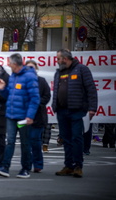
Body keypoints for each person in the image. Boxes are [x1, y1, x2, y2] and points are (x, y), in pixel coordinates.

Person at [0, 53, 39, 179]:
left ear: (15, 64)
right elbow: (10, 94)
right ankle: (5, 167)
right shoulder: (13, 76)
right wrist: (2, 89)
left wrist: (30, 116)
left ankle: (25, 168)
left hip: (23, 117)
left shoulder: (29, 76)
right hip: (11, 115)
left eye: (9, 63)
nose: (8, 65)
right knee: (10, 141)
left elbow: (35, 98)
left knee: (25, 143)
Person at [52, 49, 97, 178]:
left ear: (65, 59)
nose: (57, 61)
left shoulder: (82, 69)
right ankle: (68, 166)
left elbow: (91, 89)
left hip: (77, 111)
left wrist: (92, 108)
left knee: (76, 138)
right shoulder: (59, 72)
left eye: (58, 58)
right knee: (66, 139)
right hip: (62, 111)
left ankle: (78, 166)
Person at [25, 60, 51, 173]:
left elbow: (47, 96)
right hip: (25, 117)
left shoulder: (42, 81)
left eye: (32, 67)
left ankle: (38, 164)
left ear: (36, 68)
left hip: (38, 116)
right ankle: (27, 164)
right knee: (26, 142)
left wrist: (36, 102)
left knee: (35, 141)